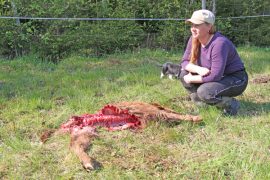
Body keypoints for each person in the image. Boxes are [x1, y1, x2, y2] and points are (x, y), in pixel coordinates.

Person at [179, 9, 248, 115]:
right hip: (214, 76)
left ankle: (230, 104)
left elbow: (215, 76)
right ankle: (202, 105)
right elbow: (184, 62)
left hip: (236, 78)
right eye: (192, 25)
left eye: (197, 25)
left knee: (205, 91)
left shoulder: (219, 43)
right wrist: (198, 69)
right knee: (183, 73)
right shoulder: (194, 38)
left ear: (209, 26)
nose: (193, 28)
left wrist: (191, 78)